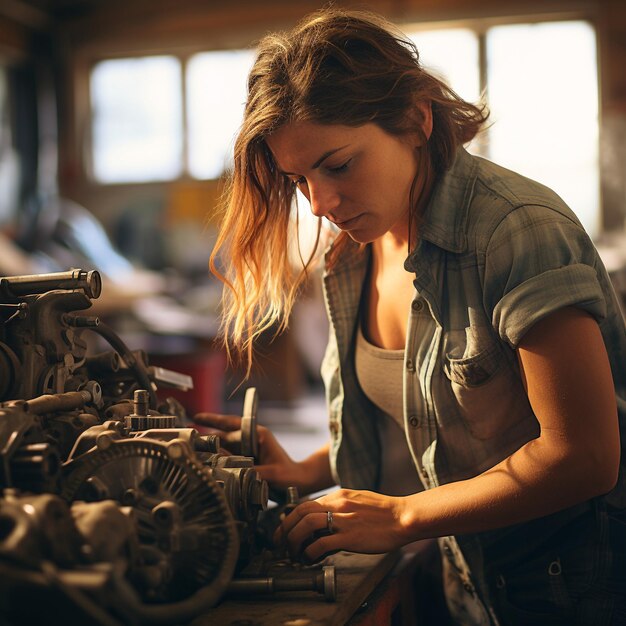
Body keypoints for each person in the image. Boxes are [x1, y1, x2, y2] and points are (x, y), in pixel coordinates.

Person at [196, 8, 626, 625]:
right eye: (298, 180)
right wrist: (309, 469)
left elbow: (583, 456)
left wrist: (402, 518)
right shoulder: (352, 253)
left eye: (338, 165)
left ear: (416, 121)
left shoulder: (516, 231)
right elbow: (434, 421)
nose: (320, 204)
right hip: (468, 583)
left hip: (572, 587)